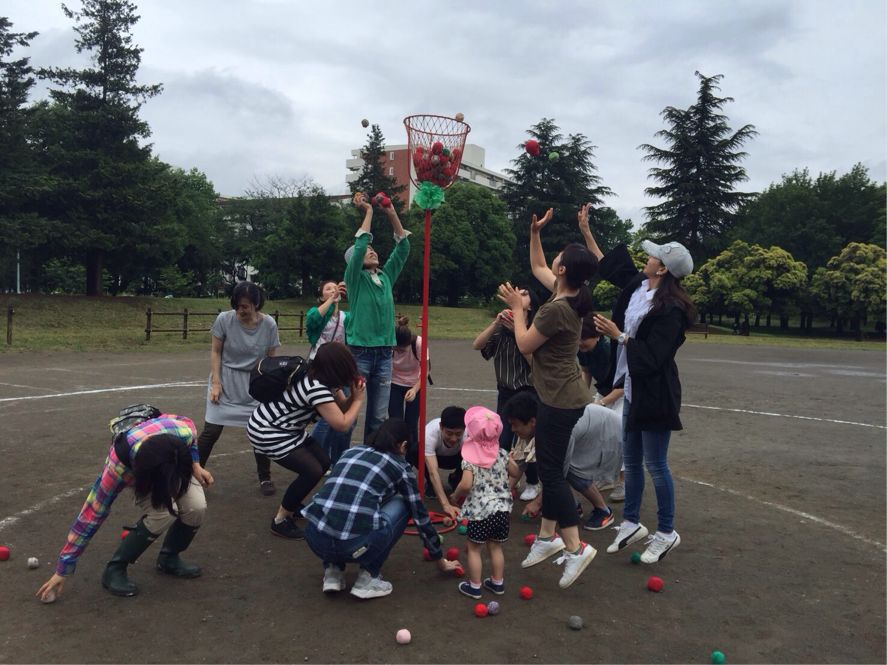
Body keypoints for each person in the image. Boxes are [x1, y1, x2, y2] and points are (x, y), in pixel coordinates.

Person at [580, 203, 696, 564]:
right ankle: (630, 522)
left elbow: (655, 356)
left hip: (656, 392)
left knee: (655, 464)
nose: (647, 258)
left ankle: (667, 532)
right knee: (629, 458)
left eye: (653, 256)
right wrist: (587, 232)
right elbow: (609, 265)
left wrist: (619, 335)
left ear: (663, 269)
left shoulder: (672, 310)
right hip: (632, 387)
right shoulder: (640, 287)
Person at [496, 207, 599, 589]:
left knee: (551, 473)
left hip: (559, 399)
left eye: (559, 257)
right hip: (564, 394)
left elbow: (524, 343)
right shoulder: (573, 293)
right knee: (552, 466)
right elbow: (537, 264)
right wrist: (535, 232)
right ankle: (546, 538)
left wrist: (517, 309)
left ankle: (574, 547)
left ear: (564, 270)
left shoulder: (556, 309)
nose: (552, 260)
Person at [36, 412, 214, 601]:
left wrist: (195, 464)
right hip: (145, 469)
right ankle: (115, 569)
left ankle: (169, 558)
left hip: (172, 464)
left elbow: (190, 434)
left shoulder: (184, 431)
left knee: (196, 507)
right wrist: (63, 569)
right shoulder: (118, 469)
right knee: (163, 514)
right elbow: (92, 514)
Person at [303, 419, 461, 599]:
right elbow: (420, 514)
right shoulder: (400, 467)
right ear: (403, 445)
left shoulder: (350, 452)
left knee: (340, 502)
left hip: (316, 538)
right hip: (354, 546)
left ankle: (333, 571)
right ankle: (368, 577)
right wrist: (439, 558)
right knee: (405, 503)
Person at [247, 342, 365, 540]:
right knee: (312, 470)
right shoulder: (316, 388)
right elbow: (342, 424)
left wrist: (353, 397)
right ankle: (280, 520)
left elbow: (341, 408)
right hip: (268, 431)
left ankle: (292, 505)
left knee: (324, 462)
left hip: (288, 430)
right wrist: (359, 400)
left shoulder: (323, 379)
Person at [197, 281, 280, 496]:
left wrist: (268, 387)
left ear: (256, 304)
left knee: (260, 431)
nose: (240, 311)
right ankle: (192, 474)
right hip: (226, 380)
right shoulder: (224, 320)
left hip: (253, 383)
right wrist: (216, 383)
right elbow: (216, 351)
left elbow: (271, 359)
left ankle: (265, 477)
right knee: (211, 431)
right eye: (237, 306)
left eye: (245, 306)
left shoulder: (269, 324)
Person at [344, 192, 410, 444]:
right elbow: (360, 244)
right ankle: (338, 458)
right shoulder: (355, 279)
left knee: (378, 418)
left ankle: (370, 458)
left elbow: (403, 249)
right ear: (355, 261)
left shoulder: (385, 277)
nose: (371, 251)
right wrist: (369, 211)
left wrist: (391, 212)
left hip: (384, 353)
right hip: (360, 352)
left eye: (373, 249)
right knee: (349, 413)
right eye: (366, 251)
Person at [505, 392, 620, 530]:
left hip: (609, 434)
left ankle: (604, 511)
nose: (512, 429)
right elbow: (519, 463)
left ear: (532, 422)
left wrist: (537, 503)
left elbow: (558, 473)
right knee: (547, 464)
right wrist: (501, 494)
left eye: (515, 425)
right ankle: (571, 506)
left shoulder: (555, 430)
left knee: (569, 470)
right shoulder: (533, 423)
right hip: (590, 429)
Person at [472, 287, 540, 501]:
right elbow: (477, 345)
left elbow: (536, 364)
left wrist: (520, 337)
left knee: (529, 438)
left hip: (527, 391)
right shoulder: (501, 329)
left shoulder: (534, 330)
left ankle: (533, 481)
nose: (519, 294)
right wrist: (496, 323)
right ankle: (508, 478)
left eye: (525, 293)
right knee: (503, 438)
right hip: (505, 391)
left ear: (531, 304)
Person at [449, 407, 519, 599]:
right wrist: (510, 459)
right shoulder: (501, 454)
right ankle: (497, 583)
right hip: (503, 510)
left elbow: (465, 484)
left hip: (481, 513)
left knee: (474, 548)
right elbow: (515, 472)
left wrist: (455, 496)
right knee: (495, 547)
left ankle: (474, 586)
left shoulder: (470, 459)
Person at [306, 279, 352, 465]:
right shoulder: (315, 312)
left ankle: (339, 460)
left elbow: (360, 321)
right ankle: (317, 457)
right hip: (320, 367)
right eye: (328, 289)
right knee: (327, 416)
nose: (333, 290)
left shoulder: (346, 317)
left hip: (340, 368)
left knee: (347, 415)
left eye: (335, 288)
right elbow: (312, 321)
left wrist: (352, 293)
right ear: (321, 296)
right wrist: (332, 300)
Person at [406, 406, 466, 521]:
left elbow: (473, 464)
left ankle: (456, 479)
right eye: (449, 433)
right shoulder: (429, 433)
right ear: (441, 427)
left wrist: (464, 487)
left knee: (472, 458)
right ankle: (431, 484)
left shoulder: (469, 434)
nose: (453, 439)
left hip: (457, 459)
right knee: (416, 451)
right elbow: (433, 471)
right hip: (435, 458)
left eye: (458, 434)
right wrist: (446, 505)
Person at [387, 315, 426, 449]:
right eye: (396, 349)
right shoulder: (389, 343)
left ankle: (411, 454)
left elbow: (425, 371)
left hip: (415, 384)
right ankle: (395, 452)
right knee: (395, 422)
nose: (398, 352)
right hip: (394, 383)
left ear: (409, 343)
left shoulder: (419, 344)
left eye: (402, 350)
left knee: (411, 423)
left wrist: (415, 389)